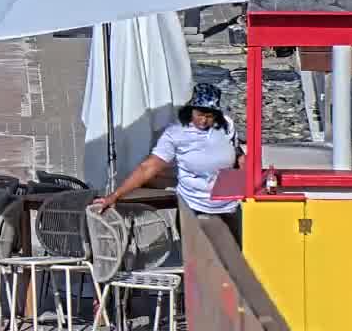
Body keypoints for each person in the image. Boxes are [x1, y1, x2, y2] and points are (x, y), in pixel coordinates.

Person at [94, 82, 242, 244]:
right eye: (200, 114)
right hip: (195, 209)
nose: (204, 120)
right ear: (190, 109)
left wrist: (251, 182)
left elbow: (238, 156)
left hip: (229, 208)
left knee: (233, 260)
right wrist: (115, 195)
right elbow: (149, 167)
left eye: (210, 115)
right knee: (204, 263)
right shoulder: (176, 133)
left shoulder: (227, 125)